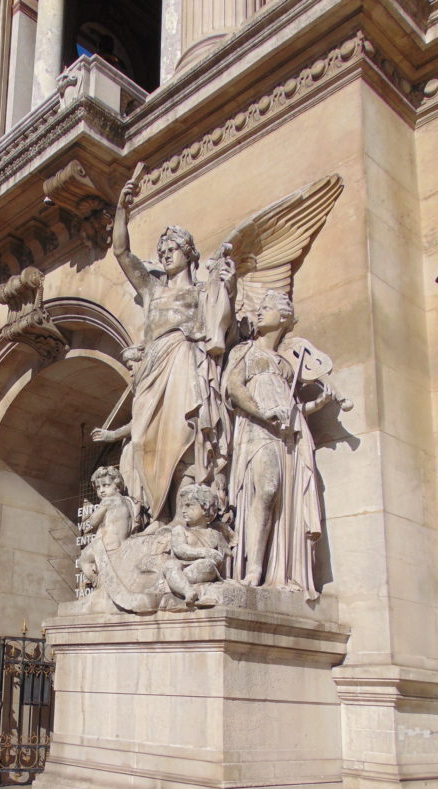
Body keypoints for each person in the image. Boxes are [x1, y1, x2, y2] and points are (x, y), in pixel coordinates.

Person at [91, 178, 235, 522]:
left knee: (185, 434)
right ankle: (157, 515)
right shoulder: (151, 288)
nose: (166, 254)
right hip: (154, 366)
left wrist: (225, 285)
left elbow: (219, 326)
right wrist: (122, 211)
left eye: (173, 249)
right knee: (142, 442)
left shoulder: (202, 292)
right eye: (163, 251)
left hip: (184, 360)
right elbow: (122, 253)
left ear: (189, 254)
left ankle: (179, 518)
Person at [223, 290, 332, 598]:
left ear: (283, 318)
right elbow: (234, 387)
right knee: (266, 489)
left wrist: (315, 407)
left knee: (285, 499)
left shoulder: (286, 365)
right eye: (260, 307)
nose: (259, 312)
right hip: (257, 428)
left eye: (267, 308)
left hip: (288, 436)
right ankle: (254, 569)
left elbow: (291, 408)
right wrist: (263, 412)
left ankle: (278, 568)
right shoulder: (246, 351)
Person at [160, 483, 230, 609]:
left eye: (189, 505)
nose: (183, 510)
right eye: (182, 506)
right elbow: (180, 549)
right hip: (182, 566)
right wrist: (205, 552)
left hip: (202, 569)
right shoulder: (179, 530)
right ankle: (188, 592)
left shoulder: (215, 535)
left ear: (205, 508)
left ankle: (177, 584)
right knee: (170, 565)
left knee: (207, 565)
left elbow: (226, 557)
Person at [78, 466, 138, 585]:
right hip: (123, 544)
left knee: (83, 560)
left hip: (107, 545)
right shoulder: (128, 501)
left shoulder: (108, 501)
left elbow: (91, 523)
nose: (101, 491)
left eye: (106, 485)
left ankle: (98, 582)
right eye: (98, 487)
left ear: (117, 485)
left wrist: (86, 522)